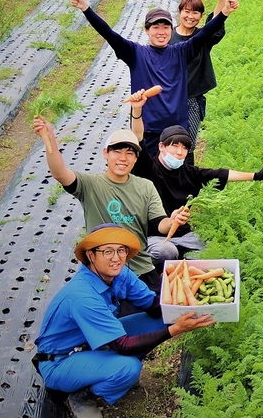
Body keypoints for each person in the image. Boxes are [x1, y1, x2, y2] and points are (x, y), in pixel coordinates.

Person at [32, 224, 213, 418]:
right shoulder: (82, 296)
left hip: (93, 344)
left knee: (160, 320)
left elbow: (153, 307)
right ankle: (81, 396)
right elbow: (123, 345)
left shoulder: (120, 274)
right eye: (107, 251)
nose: (116, 258)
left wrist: (187, 290)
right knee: (129, 368)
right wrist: (175, 330)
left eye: (121, 250)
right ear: (91, 255)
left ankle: (108, 371)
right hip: (61, 361)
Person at [70, 0, 238, 154]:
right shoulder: (135, 53)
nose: (161, 32)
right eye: (155, 27)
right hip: (147, 129)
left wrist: (225, 12)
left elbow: (206, 33)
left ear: (171, 30)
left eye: (165, 27)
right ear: (147, 30)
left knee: (179, 176)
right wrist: (86, 8)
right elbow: (108, 33)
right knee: (147, 176)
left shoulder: (181, 51)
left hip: (177, 129)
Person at [33, 117, 186, 295]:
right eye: (117, 151)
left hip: (139, 267)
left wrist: (172, 220)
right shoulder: (90, 185)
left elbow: (159, 224)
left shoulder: (145, 186)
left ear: (136, 158)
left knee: (158, 313)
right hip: (102, 271)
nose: (123, 158)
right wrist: (49, 138)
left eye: (130, 153)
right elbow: (60, 173)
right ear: (106, 153)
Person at [128, 92, 263, 266]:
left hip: (186, 237)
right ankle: (167, 269)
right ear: (161, 146)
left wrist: (256, 176)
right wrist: (137, 110)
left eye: (184, 148)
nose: (180, 152)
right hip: (154, 237)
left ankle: (184, 263)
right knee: (165, 252)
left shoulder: (189, 172)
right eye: (174, 146)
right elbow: (137, 137)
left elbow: (222, 174)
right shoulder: (148, 167)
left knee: (218, 248)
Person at [169, 0, 230, 161]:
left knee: (187, 146)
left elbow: (216, 22)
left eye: (195, 12)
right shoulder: (167, 36)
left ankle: (186, 181)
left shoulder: (202, 37)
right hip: (168, 99)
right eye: (186, 11)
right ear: (179, 13)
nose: (190, 16)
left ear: (201, 15)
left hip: (192, 100)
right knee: (166, 141)